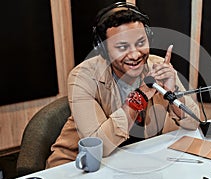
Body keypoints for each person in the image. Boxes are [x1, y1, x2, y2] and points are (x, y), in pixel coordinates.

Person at [46, 2, 200, 168]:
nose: (134, 54)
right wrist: (140, 96)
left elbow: (194, 122)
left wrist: (172, 93)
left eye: (141, 43)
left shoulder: (158, 66)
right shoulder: (82, 77)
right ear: (103, 50)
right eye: (122, 47)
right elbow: (100, 146)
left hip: (131, 161)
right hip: (79, 164)